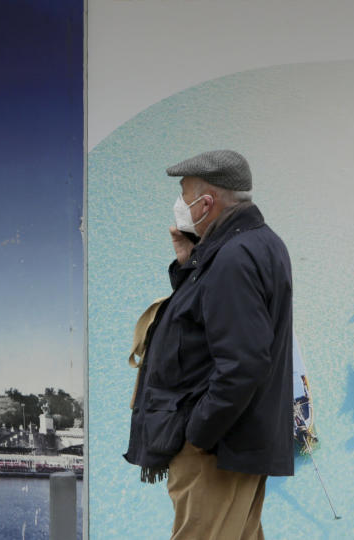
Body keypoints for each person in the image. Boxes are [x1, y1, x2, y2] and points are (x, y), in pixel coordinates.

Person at [124, 150, 293, 539]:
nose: (179, 206)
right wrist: (189, 262)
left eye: (184, 195)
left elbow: (243, 364)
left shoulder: (233, 257)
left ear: (207, 202)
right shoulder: (254, 245)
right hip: (237, 445)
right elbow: (202, 328)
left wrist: (198, 435)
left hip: (216, 452)